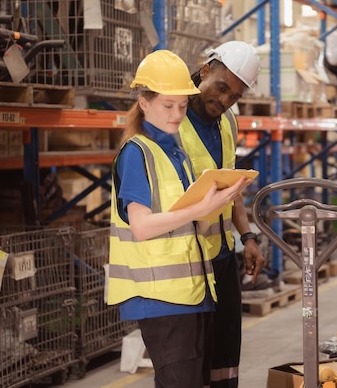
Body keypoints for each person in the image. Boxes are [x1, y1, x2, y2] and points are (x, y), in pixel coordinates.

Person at [107, 49, 252, 388]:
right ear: (144, 103)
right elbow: (141, 226)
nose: (177, 115)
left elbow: (185, 224)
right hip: (161, 297)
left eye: (183, 106)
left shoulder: (173, 152)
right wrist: (202, 209)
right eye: (167, 106)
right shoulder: (136, 153)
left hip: (190, 293)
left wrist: (228, 209)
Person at [178, 40, 266, 388]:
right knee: (190, 357)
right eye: (221, 88)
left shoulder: (228, 122)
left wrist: (248, 238)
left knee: (226, 353)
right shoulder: (174, 121)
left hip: (222, 255)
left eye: (235, 96)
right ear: (204, 73)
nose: (225, 100)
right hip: (187, 262)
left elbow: (233, 189)